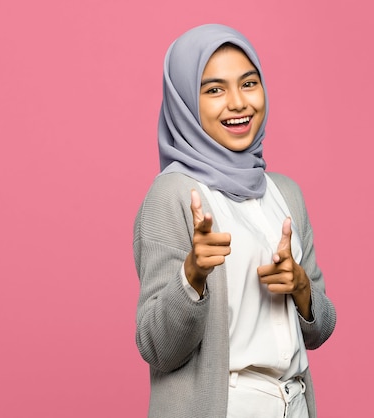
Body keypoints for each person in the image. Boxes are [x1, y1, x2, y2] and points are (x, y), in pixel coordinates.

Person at [133, 23, 336, 418]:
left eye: (248, 83)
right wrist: (191, 276)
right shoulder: (173, 195)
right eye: (214, 90)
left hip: (293, 405)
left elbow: (320, 329)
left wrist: (301, 290)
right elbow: (156, 346)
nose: (238, 102)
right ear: (185, 104)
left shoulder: (286, 193)